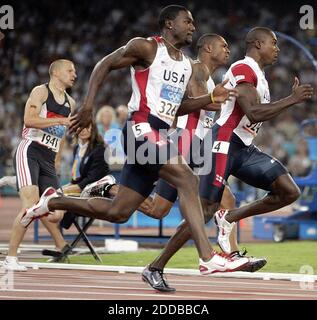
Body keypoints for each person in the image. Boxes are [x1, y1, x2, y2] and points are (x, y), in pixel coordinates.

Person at [22, 5, 250, 275]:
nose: (193, 27)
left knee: (118, 212)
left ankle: (52, 201)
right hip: (140, 127)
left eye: (193, 23)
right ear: (168, 24)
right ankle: (207, 257)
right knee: (187, 178)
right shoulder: (147, 48)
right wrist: (88, 105)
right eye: (187, 21)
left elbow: (179, 106)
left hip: (159, 133)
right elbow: (104, 64)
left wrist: (211, 98)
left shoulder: (187, 65)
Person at [139, 26, 313, 288]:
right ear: (257, 44)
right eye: (273, 43)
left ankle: (229, 218)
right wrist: (291, 99)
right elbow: (253, 113)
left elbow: (252, 114)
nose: (277, 49)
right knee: (205, 209)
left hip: (243, 147)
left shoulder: (259, 75)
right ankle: (155, 267)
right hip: (221, 143)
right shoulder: (243, 68)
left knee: (289, 191)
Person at [141, 33, 266, 292]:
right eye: (224, 46)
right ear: (208, 48)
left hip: (199, 145)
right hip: (186, 143)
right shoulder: (196, 69)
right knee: (180, 207)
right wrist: (234, 103)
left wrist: (235, 101)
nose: (228, 49)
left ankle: (222, 257)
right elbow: (197, 102)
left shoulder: (211, 79)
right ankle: (211, 257)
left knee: (165, 209)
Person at [2, 59, 76, 271]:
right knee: (29, 206)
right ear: (56, 73)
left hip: (48, 158)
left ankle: (20, 180)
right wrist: (59, 121)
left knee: (56, 213)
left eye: (75, 71)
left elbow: (61, 137)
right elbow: (29, 120)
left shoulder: (71, 103)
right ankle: (11, 258)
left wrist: (58, 159)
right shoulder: (41, 92)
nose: (74, 75)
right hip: (30, 150)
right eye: (70, 70)